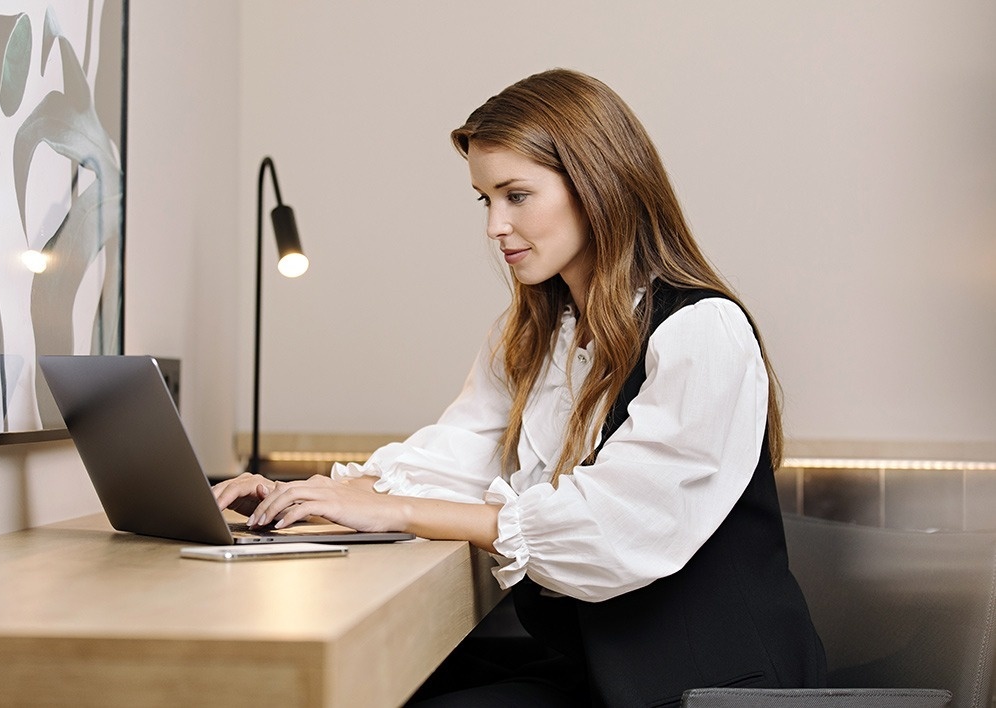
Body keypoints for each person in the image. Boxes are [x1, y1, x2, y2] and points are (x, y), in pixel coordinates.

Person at [212, 68, 826, 706]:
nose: (493, 226)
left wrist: (391, 509)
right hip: (608, 675)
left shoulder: (702, 331)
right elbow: (461, 455)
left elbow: (611, 532)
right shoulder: (535, 335)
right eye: (485, 199)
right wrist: (319, 494)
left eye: (516, 195)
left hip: (711, 690)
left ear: (598, 186)